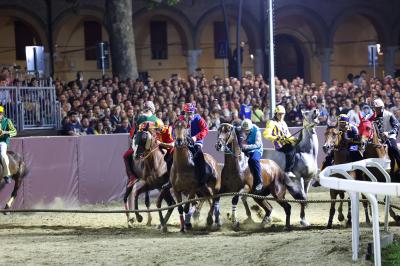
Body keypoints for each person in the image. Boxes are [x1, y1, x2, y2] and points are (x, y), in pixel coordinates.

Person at [123, 101, 163, 183]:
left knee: (126, 156)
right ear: (152, 108)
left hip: (141, 144)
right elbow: (162, 130)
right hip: (156, 143)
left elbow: (133, 133)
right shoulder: (157, 120)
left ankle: (132, 176)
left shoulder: (140, 118)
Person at [263, 105, 297, 178]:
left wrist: (294, 139)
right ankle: (288, 171)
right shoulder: (271, 122)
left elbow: (288, 135)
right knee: (291, 148)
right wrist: (276, 138)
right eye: (279, 114)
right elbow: (266, 134)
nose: (281, 116)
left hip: (287, 143)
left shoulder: (284, 123)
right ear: (276, 114)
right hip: (280, 146)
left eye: (282, 114)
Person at [182, 103, 209, 192]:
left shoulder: (198, 119)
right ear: (184, 113)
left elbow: (205, 130)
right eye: (187, 113)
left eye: (190, 113)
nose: (189, 115)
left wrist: (195, 137)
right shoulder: (181, 119)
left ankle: (202, 181)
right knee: (171, 156)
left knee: (199, 155)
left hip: (197, 141)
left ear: (193, 112)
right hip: (184, 142)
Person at [372, 98, 400, 171]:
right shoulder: (372, 117)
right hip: (377, 138)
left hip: (389, 136)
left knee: (393, 148)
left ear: (381, 108)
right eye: (374, 108)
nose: (375, 110)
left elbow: (396, 125)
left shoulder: (389, 114)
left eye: (377, 108)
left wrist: (389, 133)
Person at [240, 119, 264, 194]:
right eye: (245, 130)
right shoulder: (241, 129)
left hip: (256, 150)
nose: (246, 132)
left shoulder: (257, 131)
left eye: (248, 130)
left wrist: (246, 147)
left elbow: (258, 145)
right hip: (245, 148)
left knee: (253, 160)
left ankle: (259, 182)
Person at [0, 105, 17, 184]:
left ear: (3, 114)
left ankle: (7, 174)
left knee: (2, 154)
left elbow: (14, 132)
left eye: (0, 113)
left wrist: (5, 132)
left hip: (2, 142)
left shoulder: (7, 121)